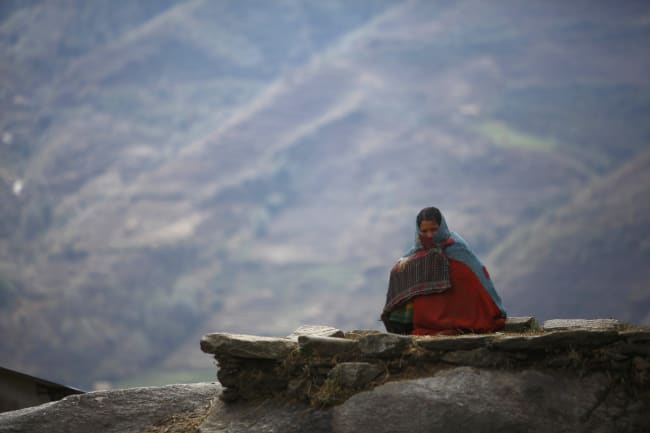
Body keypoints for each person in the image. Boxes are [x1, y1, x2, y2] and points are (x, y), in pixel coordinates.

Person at [381, 207, 506, 335]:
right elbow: (406, 260)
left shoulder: (457, 248)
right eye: (424, 231)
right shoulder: (418, 250)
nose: (429, 235)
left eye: (434, 230)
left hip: (461, 308)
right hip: (429, 312)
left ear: (441, 227)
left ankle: (455, 323)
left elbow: (479, 274)